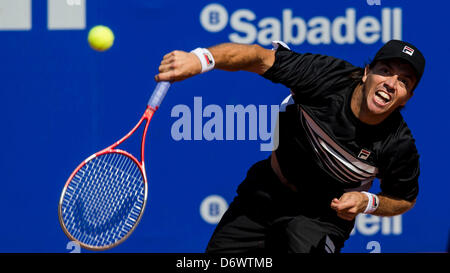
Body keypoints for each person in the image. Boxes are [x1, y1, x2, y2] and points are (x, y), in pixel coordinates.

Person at [154, 39, 425, 253]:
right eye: (385, 71)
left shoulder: (398, 144)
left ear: (407, 98)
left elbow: (403, 200)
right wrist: (201, 58)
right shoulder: (325, 77)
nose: (391, 84)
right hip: (266, 192)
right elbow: (259, 58)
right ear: (367, 73)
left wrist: (368, 201)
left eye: (404, 82)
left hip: (322, 217)